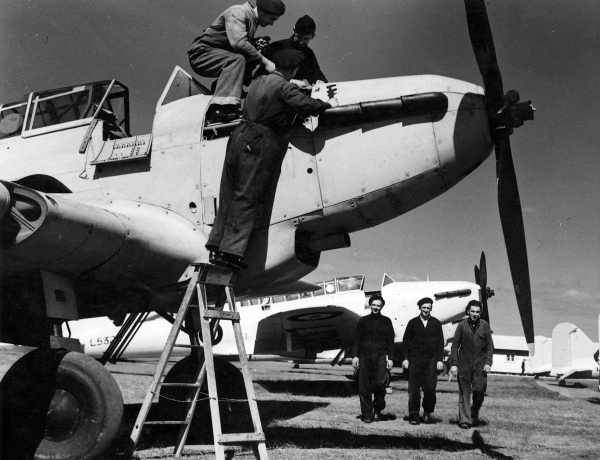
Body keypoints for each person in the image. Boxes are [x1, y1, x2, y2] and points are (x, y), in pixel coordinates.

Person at [206, 48, 331, 269]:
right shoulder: (284, 86)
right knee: (248, 194)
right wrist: (322, 105)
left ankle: (216, 244)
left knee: (228, 192)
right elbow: (303, 104)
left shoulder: (257, 82)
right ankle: (231, 252)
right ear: (291, 69)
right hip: (259, 141)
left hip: (238, 136)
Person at [187, 0, 285, 121]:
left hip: (219, 55)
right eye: (272, 19)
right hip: (201, 54)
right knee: (238, 59)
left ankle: (223, 89)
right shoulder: (239, 12)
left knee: (251, 56)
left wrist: (256, 46)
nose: (272, 23)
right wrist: (265, 61)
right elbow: (238, 43)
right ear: (262, 12)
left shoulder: (252, 21)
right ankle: (220, 108)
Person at [449, 300, 494, 429]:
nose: (475, 314)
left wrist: (488, 363)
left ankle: (473, 414)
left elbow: (490, 347)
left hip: (480, 366)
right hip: (464, 365)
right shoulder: (462, 325)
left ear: (480, 313)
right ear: (468, 311)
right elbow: (455, 346)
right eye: (473, 311)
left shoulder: (485, 325)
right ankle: (465, 420)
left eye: (477, 312)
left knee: (479, 392)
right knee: (464, 393)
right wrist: (454, 364)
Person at [352, 294, 395, 423]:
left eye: (378, 305)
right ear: (370, 305)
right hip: (365, 357)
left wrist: (391, 358)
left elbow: (390, 341)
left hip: (380, 357)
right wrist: (355, 356)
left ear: (382, 306)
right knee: (364, 387)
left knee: (380, 384)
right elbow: (357, 340)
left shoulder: (386, 321)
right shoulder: (363, 320)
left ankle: (377, 408)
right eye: (374, 305)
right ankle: (366, 414)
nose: (376, 307)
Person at [401, 297, 444, 425]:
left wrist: (440, 360)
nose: (426, 310)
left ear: (431, 309)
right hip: (415, 361)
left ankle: (427, 413)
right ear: (420, 308)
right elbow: (406, 342)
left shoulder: (436, 323)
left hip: (431, 361)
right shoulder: (412, 323)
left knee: (430, 389)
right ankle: (414, 415)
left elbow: (440, 343)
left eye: (428, 308)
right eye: (424, 307)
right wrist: (406, 359)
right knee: (414, 390)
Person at [263, 15, 327, 87]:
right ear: (293, 31)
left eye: (306, 39)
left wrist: (321, 83)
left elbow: (316, 75)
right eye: (299, 37)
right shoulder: (277, 47)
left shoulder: (308, 54)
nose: (301, 42)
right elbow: (262, 76)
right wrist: (292, 81)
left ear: (313, 36)